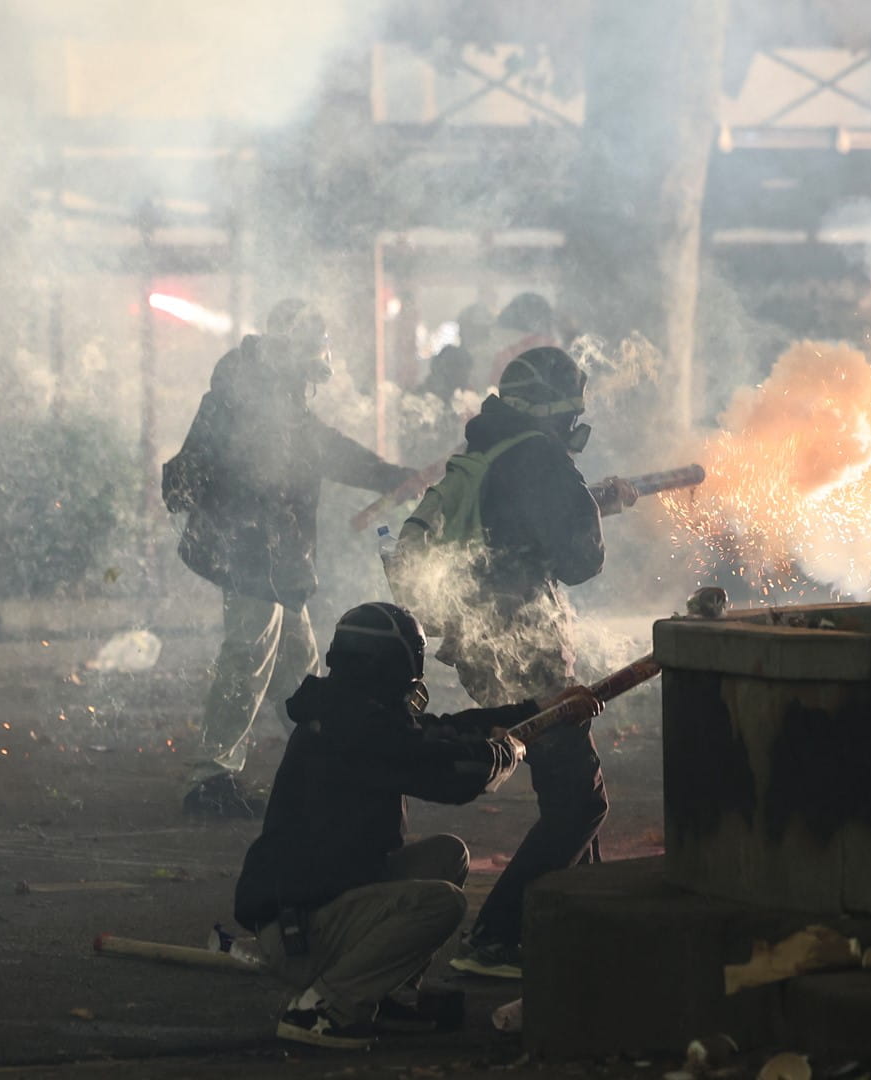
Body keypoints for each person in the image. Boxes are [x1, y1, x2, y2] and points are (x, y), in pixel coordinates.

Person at [233, 602, 602, 1049]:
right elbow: (452, 774)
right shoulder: (356, 728)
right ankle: (325, 1008)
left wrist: (537, 710)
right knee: (440, 904)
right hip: (302, 932)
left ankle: (384, 992)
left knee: (447, 855)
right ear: (391, 664)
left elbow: (434, 734)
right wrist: (508, 751)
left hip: (317, 907)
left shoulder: (345, 710)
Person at [404, 345, 626, 979]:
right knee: (578, 801)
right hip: (521, 642)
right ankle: (498, 938)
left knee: (570, 792)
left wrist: (592, 497)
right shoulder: (542, 456)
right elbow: (581, 561)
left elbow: (513, 528)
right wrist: (586, 503)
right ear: (557, 412)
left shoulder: (493, 445)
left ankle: (582, 926)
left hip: (484, 641)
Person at [164, 299, 414, 818]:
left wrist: (389, 474)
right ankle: (211, 779)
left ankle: (318, 760)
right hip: (252, 549)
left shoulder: (267, 391)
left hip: (270, 554)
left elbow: (319, 445)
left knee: (297, 663)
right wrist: (388, 474)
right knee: (248, 656)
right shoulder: (250, 396)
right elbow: (301, 457)